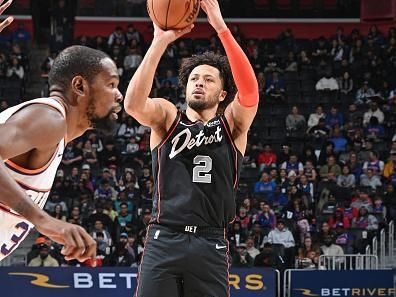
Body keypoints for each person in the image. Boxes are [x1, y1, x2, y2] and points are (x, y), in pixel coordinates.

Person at [124, 0, 259, 295]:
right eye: (194, 78)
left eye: (208, 79)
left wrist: (221, 28)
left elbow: (250, 92)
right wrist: (160, 41)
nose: (199, 83)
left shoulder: (232, 126)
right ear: (185, 87)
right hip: (164, 238)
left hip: (210, 242)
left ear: (222, 93)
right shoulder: (167, 117)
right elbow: (133, 105)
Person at [0, 1, 123, 263]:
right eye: (111, 84)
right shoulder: (50, 118)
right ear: (79, 85)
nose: (119, 95)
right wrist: (44, 221)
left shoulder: (53, 132)